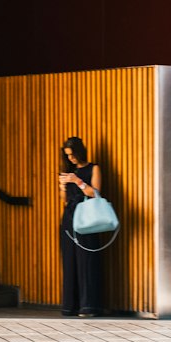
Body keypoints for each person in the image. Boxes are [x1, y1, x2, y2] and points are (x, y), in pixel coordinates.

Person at [57, 136, 104, 317]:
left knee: (87, 260)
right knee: (69, 261)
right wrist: (62, 186)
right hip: (70, 218)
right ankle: (71, 306)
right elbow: (64, 200)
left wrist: (78, 181)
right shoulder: (69, 171)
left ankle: (89, 306)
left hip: (88, 218)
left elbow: (96, 193)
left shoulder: (94, 168)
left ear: (80, 152)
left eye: (73, 155)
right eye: (68, 156)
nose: (71, 159)